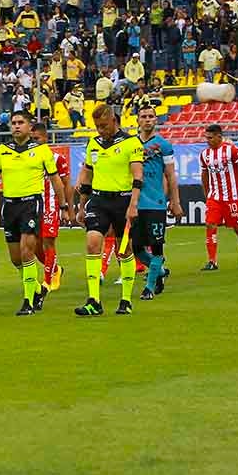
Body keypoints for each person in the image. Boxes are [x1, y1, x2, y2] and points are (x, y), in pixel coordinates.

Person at [0, 111, 66, 315]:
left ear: (29, 127)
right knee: (16, 258)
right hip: (9, 206)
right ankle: (36, 291)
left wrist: (63, 206)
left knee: (27, 252)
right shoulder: (2, 151)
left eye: (21, 122)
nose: (16, 126)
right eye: (14, 123)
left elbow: (55, 180)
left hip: (31, 204)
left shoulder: (42, 151)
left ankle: (27, 303)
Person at [74, 104, 144, 316]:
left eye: (104, 126)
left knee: (125, 250)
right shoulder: (93, 144)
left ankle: (125, 300)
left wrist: (133, 205)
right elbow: (86, 175)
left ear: (114, 121)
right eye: (97, 126)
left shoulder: (132, 143)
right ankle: (93, 300)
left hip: (123, 201)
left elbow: (138, 177)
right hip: (98, 200)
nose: (100, 130)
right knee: (92, 243)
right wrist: (81, 205)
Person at [134, 105, 184, 300]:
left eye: (151, 116)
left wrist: (175, 201)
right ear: (137, 120)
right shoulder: (132, 145)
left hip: (156, 203)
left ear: (156, 120)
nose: (147, 119)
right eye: (143, 116)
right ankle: (160, 272)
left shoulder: (164, 145)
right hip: (136, 204)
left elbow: (171, 175)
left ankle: (149, 287)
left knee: (156, 247)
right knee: (136, 250)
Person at [199, 124, 238, 271]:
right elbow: (204, 176)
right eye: (206, 138)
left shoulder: (231, 150)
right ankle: (212, 261)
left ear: (219, 136)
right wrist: (207, 195)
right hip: (215, 197)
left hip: (232, 197)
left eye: (210, 138)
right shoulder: (204, 154)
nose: (208, 141)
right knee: (210, 225)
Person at [30, 122, 71, 291]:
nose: (34, 142)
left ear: (45, 138)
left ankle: (47, 281)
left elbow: (67, 184)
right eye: (31, 139)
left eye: (36, 138)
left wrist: (67, 208)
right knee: (34, 246)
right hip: (32, 206)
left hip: (50, 205)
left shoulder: (57, 159)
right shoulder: (28, 158)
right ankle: (56, 270)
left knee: (48, 243)